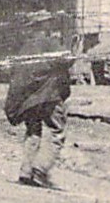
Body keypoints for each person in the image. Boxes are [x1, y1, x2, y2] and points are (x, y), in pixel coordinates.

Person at [5, 56, 74, 189]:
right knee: (57, 132)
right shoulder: (56, 47)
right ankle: (40, 171)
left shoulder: (26, 47)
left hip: (29, 99)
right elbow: (66, 64)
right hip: (49, 95)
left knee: (33, 131)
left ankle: (26, 171)